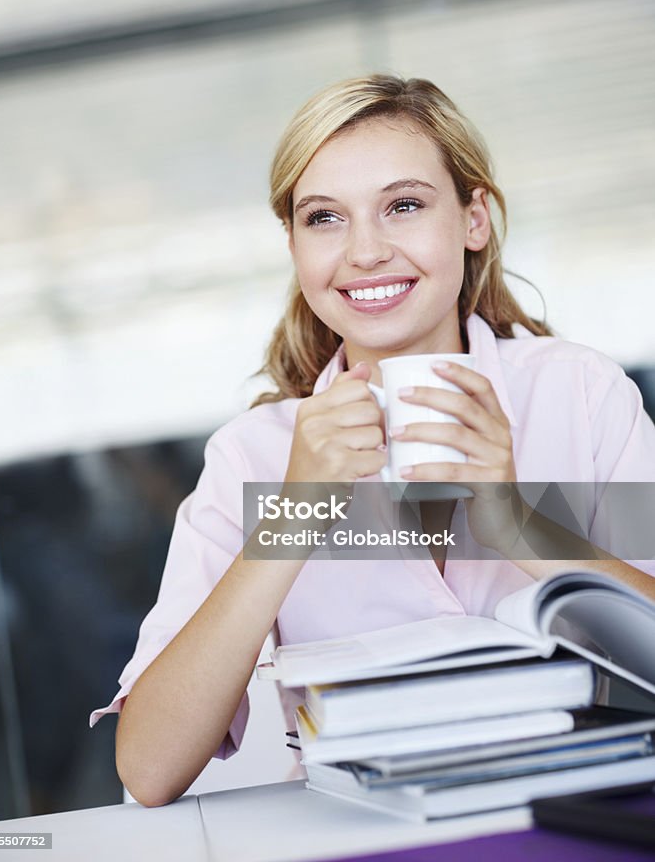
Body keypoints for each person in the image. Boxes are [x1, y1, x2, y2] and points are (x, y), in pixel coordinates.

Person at [90, 75, 655, 807]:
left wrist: (521, 527)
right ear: (292, 244)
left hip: (594, 818)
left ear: (473, 218)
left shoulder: (577, 394)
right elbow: (149, 769)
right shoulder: (253, 457)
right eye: (324, 218)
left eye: (405, 205)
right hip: (368, 835)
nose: (364, 251)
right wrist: (296, 512)